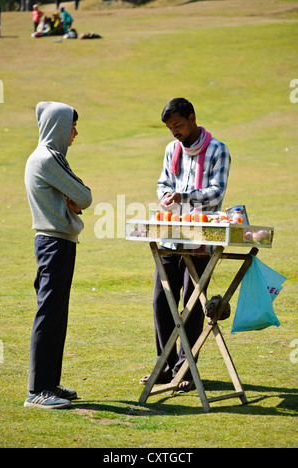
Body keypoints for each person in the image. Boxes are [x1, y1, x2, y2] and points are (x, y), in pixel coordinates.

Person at [140, 98, 231, 391]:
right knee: (161, 301)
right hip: (169, 235)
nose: (174, 132)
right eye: (169, 128)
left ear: (192, 118)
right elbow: (163, 183)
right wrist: (167, 195)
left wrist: (185, 197)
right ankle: (165, 367)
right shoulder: (171, 150)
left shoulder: (218, 150)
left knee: (192, 306)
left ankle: (186, 370)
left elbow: (216, 194)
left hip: (201, 239)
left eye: (178, 125)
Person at [24, 102, 92, 409]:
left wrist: (74, 197)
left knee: (55, 316)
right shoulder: (49, 159)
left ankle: (49, 384)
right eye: (72, 127)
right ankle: (37, 391)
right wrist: (75, 198)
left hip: (56, 242)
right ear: (60, 127)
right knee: (49, 315)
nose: (75, 133)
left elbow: (76, 197)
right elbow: (84, 196)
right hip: (54, 243)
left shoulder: (48, 158)